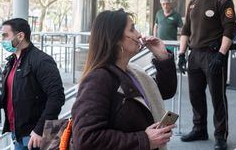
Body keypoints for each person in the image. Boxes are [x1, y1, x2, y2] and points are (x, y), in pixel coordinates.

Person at [71, 9, 177, 150]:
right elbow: (85, 139)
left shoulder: (132, 71)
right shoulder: (98, 79)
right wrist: (143, 140)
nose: (139, 34)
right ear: (115, 39)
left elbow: (164, 91)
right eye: (132, 29)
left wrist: (163, 57)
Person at [0, 18, 65, 150]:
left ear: (20, 36)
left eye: (5, 35)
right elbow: (12, 95)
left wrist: (40, 130)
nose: (3, 40)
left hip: (37, 137)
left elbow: (57, 97)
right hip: (18, 135)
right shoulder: (12, 62)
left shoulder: (42, 61)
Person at [178, 0, 236, 150]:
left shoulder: (222, 0)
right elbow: (186, 29)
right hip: (194, 55)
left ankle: (221, 136)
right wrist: (181, 53)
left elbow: (230, 29)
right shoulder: (193, 1)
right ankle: (199, 129)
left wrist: (221, 54)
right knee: (195, 95)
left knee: (217, 97)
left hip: (213, 55)